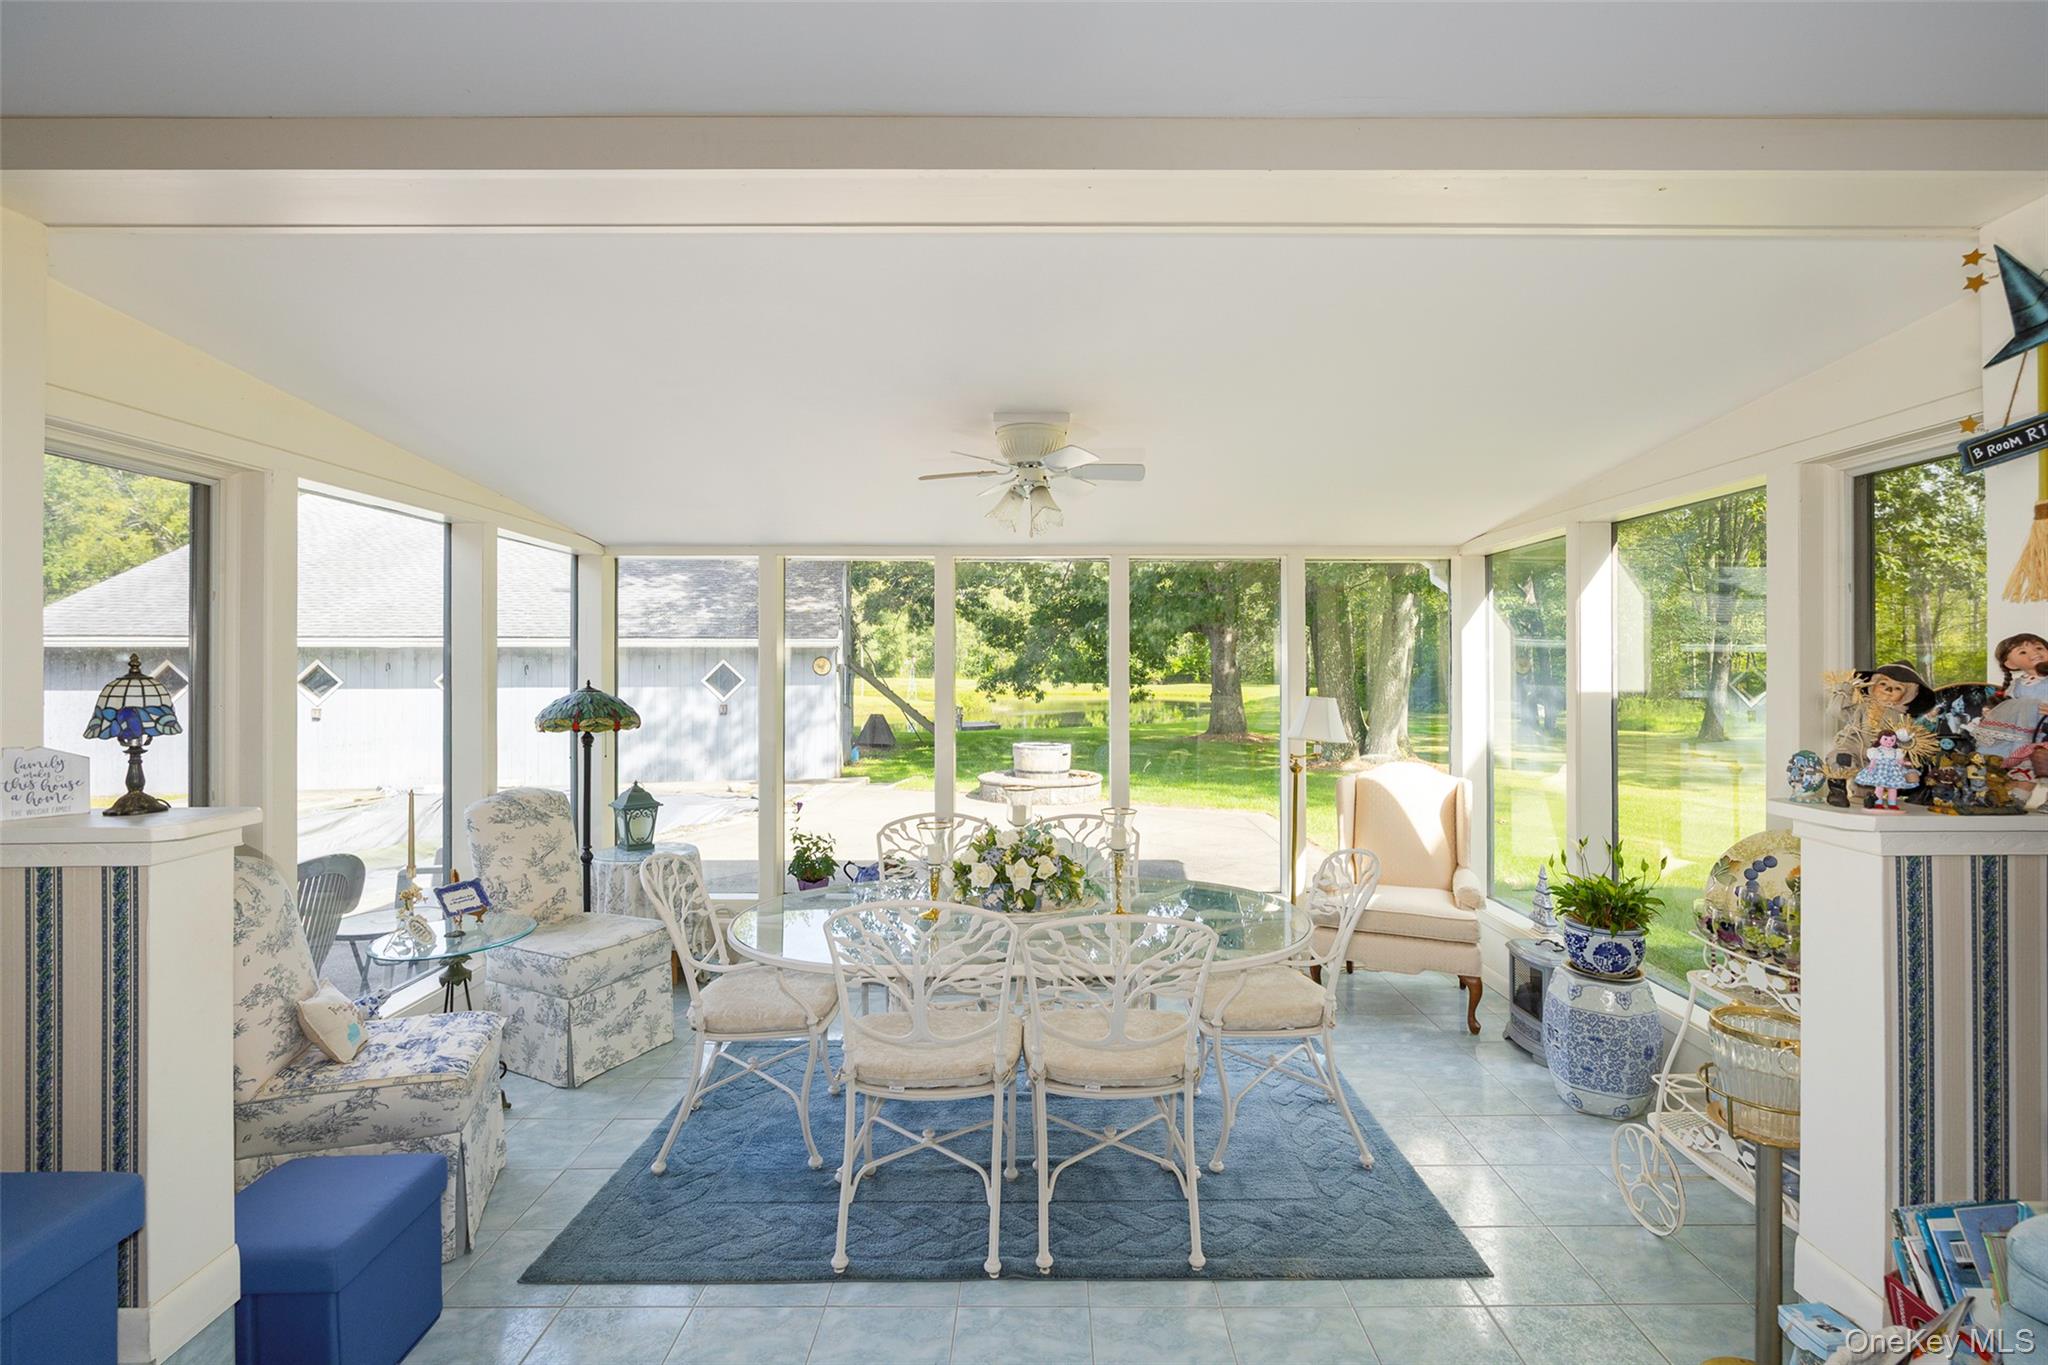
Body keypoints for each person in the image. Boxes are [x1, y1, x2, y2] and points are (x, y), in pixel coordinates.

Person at [1974, 633, 2048, 809]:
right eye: (2023, 652)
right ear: (2010, 663)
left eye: (2039, 648)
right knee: (2028, 766)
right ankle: (2018, 797)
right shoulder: (2018, 684)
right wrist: (1994, 712)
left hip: (2045, 731)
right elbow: (2007, 705)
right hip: (2026, 734)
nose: (2034, 653)